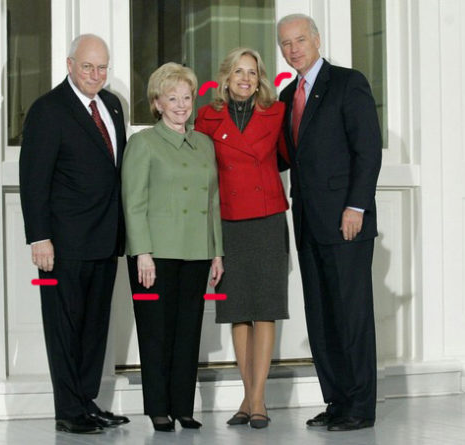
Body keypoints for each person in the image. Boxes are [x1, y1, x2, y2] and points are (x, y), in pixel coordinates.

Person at [19, 34, 129, 434]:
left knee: (95, 328)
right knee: (65, 328)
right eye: (87, 66)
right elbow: (33, 180)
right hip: (63, 244)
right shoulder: (48, 110)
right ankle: (68, 410)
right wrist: (39, 237)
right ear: (69, 65)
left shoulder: (113, 105)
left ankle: (87, 402)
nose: (96, 75)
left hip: (105, 238)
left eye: (102, 67)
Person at [277, 14, 382, 431]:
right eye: (285, 43)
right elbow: (286, 157)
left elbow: (368, 149)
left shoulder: (347, 82)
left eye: (300, 40)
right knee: (320, 316)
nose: (293, 48)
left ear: (317, 40)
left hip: (345, 223)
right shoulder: (287, 95)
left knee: (350, 316)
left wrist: (356, 206)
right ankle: (336, 401)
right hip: (307, 223)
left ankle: (360, 406)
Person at [122, 62, 224, 432]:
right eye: (172, 98)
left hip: (197, 252)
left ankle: (183, 407)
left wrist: (217, 251)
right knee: (156, 333)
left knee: (188, 333)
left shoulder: (204, 144)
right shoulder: (143, 143)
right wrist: (142, 253)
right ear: (157, 103)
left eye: (186, 97)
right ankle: (158, 408)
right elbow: (133, 202)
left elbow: (213, 200)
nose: (182, 105)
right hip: (156, 255)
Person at [195, 48, 290, 429]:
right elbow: (201, 169)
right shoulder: (206, 116)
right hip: (229, 219)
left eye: (252, 72)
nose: (246, 78)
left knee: (265, 307)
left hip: (267, 217)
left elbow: (286, 157)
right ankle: (248, 397)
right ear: (226, 76)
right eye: (239, 71)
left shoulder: (276, 113)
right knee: (237, 310)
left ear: (260, 78)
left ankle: (257, 400)